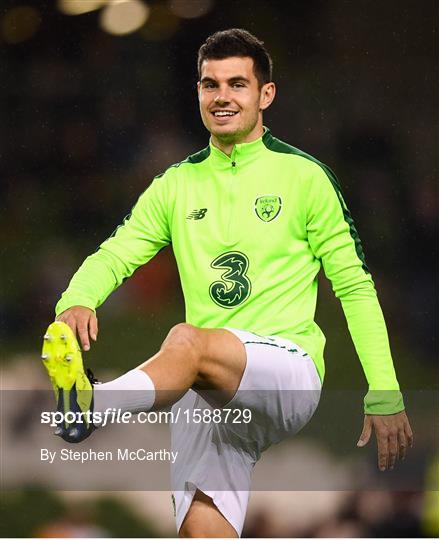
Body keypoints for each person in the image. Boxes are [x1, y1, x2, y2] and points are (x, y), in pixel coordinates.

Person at [42, 29, 413, 538]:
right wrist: (77, 299)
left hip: (286, 370)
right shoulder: (176, 184)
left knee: (187, 339)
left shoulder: (305, 177)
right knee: (200, 530)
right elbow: (118, 250)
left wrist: (385, 391)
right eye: (209, 84)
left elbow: (354, 286)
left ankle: (90, 406)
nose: (221, 96)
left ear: (266, 94)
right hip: (206, 388)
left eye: (237, 84)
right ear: (197, 92)